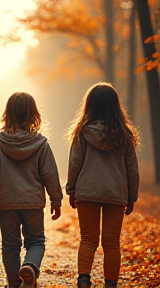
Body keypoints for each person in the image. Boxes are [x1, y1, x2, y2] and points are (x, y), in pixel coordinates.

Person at [0, 92, 63, 288]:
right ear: (34, 115)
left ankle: (13, 283)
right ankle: (30, 266)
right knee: (36, 241)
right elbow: (50, 174)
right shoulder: (41, 143)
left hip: (7, 203)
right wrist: (56, 200)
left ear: (7, 114)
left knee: (10, 247)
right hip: (33, 203)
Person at [65, 82, 140, 288]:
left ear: (89, 106)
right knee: (111, 243)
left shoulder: (82, 133)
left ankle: (83, 278)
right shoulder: (124, 135)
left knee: (88, 239)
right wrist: (131, 196)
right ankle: (111, 284)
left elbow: (75, 162)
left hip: (87, 192)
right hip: (116, 194)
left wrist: (72, 189)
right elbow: (132, 169)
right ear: (115, 106)